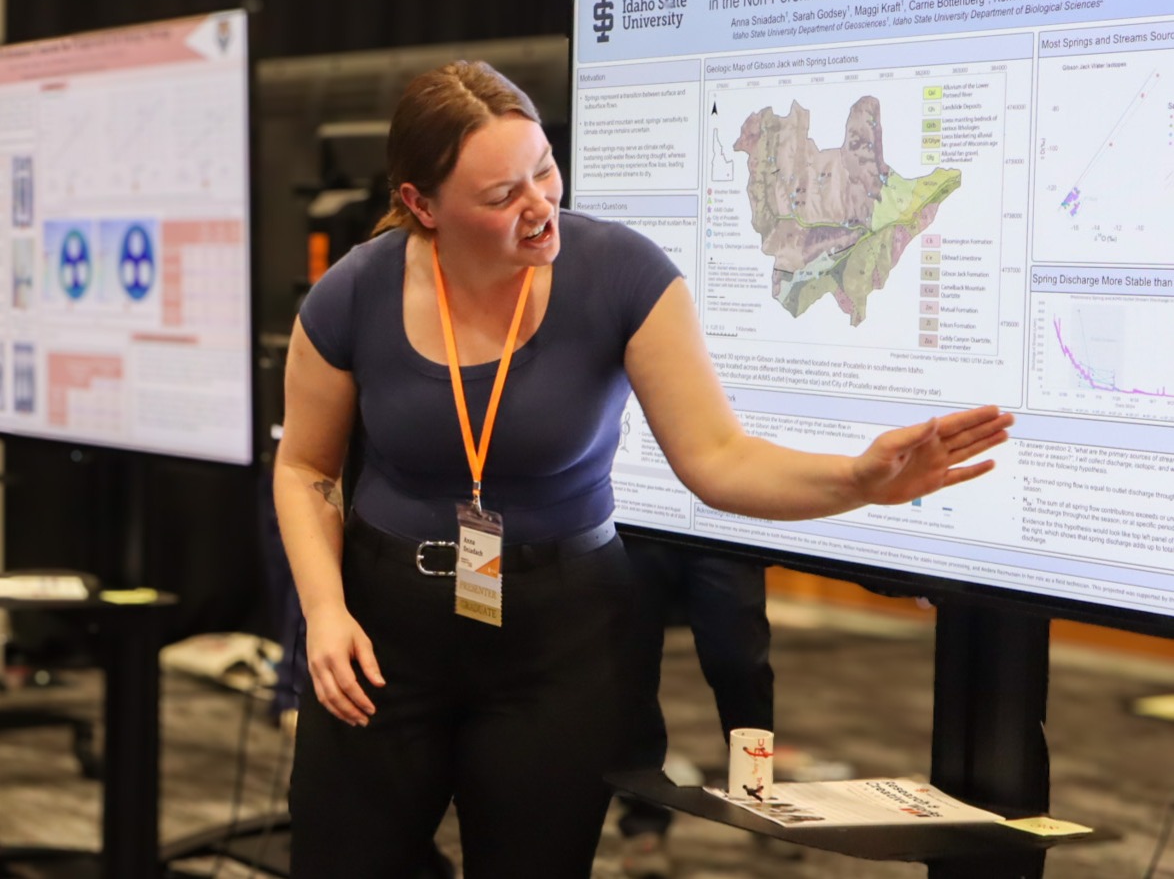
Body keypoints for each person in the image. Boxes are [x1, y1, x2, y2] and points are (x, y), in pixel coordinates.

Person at [273, 60, 1013, 879]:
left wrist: (857, 481)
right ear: (420, 206)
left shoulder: (622, 273)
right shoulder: (355, 291)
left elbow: (719, 460)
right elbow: (304, 467)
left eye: (544, 170)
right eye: (499, 197)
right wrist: (324, 612)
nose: (539, 207)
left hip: (563, 638)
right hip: (381, 631)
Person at [617, 537, 774, 878]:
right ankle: (643, 824)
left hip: (722, 518)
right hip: (635, 522)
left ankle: (762, 802)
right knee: (629, 669)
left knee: (739, 662)